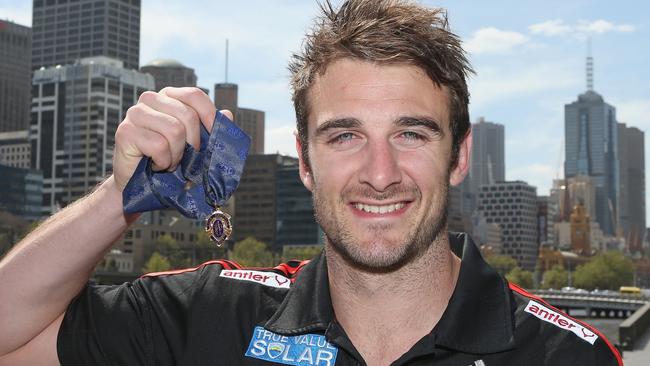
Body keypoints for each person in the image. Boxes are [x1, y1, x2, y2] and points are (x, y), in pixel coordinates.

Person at [0, 1, 623, 365]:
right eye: (345, 136)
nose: (380, 175)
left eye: (411, 134)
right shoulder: (214, 318)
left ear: (458, 156)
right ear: (304, 161)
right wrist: (117, 200)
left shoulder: (566, 357)